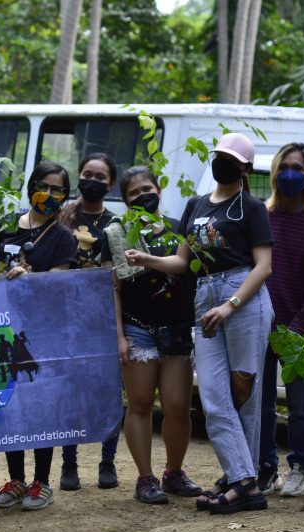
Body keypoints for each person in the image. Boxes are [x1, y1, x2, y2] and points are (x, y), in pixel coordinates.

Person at [126, 133, 274, 515]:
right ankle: (243, 480)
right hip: (205, 295)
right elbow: (181, 261)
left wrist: (231, 305)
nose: (222, 162)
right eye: (219, 155)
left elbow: (263, 267)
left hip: (242, 295)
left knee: (245, 390)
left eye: (231, 159)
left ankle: (241, 480)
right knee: (212, 395)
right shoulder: (196, 204)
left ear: (245, 169)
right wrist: (147, 259)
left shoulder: (252, 207)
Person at [103, 166, 202, 504]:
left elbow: (189, 269)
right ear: (125, 200)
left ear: (159, 190)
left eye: (147, 189)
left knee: (178, 406)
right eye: (134, 193)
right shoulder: (117, 234)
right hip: (136, 328)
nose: (143, 196)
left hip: (177, 329)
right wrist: (118, 336)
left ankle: (174, 472)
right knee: (141, 403)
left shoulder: (179, 228)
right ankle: (145, 478)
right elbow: (112, 289)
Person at [0, 161, 76, 510]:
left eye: (57, 190)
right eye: (43, 186)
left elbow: (60, 279)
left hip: (42, 332)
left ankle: (42, 482)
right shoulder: (5, 226)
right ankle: (17, 480)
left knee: (41, 406)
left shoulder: (63, 236)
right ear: (31, 186)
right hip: (2, 329)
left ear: (65, 195)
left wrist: (30, 278)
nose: (48, 194)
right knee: (10, 404)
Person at [259, 143, 304, 498]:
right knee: (262, 404)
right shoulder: (262, 216)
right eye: (284, 166)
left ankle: (301, 469)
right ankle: (265, 469)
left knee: (300, 405)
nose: (290, 174)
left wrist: (300, 324)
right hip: (260, 327)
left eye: (298, 168)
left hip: (298, 330)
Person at [57, 152, 122, 490]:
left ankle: (107, 461)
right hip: (64, 320)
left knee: (108, 393)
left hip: (102, 319)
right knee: (70, 393)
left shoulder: (116, 224)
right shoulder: (62, 216)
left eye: (100, 177)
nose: (92, 181)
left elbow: (118, 276)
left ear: (111, 184)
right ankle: (69, 463)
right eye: (87, 174)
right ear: (78, 175)